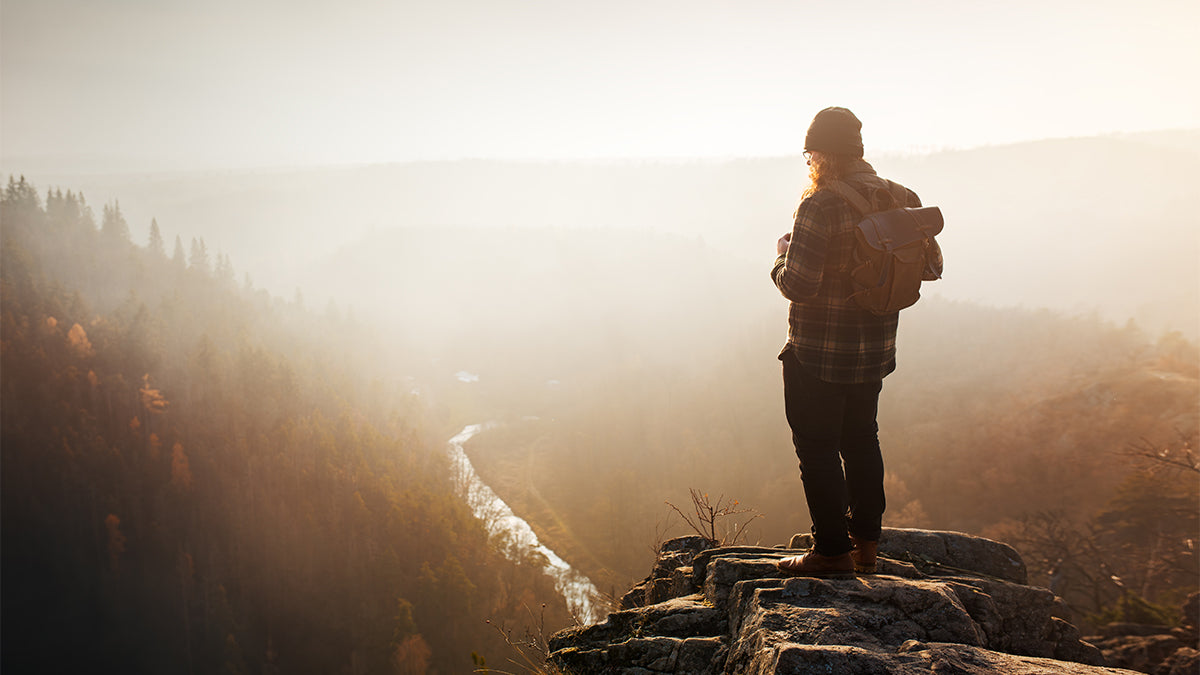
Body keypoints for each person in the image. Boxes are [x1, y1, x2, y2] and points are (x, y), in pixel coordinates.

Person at [771, 107, 924, 576]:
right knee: (861, 440)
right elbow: (927, 268)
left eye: (809, 154)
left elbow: (798, 283)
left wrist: (780, 257)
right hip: (875, 349)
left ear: (820, 154)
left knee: (816, 449)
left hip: (818, 351)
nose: (809, 162)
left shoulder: (820, 204)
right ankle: (868, 547)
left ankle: (832, 551)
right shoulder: (901, 197)